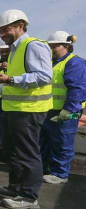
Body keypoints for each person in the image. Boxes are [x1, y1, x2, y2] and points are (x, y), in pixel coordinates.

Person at [0, 9, 53, 209]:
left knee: (27, 152)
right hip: (13, 109)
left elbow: (44, 76)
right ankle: (15, 187)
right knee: (12, 150)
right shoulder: (15, 50)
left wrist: (9, 79)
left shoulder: (33, 45)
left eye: (6, 29)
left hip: (29, 109)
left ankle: (29, 196)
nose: (2, 34)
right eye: (0, 31)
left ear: (21, 26)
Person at [40, 31, 86, 184]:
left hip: (66, 111)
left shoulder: (74, 63)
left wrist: (69, 110)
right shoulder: (52, 63)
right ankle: (45, 169)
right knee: (45, 141)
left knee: (62, 142)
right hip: (49, 110)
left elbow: (77, 89)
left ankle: (60, 174)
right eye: (50, 46)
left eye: (55, 46)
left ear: (67, 46)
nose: (51, 49)